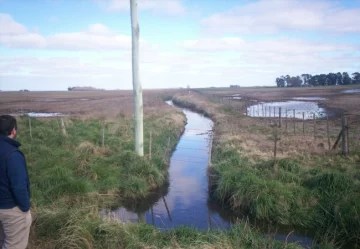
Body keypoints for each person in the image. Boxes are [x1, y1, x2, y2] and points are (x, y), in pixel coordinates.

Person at [0, 115, 31, 249]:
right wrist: (25, 207)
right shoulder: (13, 155)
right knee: (14, 245)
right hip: (10, 209)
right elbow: (18, 186)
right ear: (13, 131)